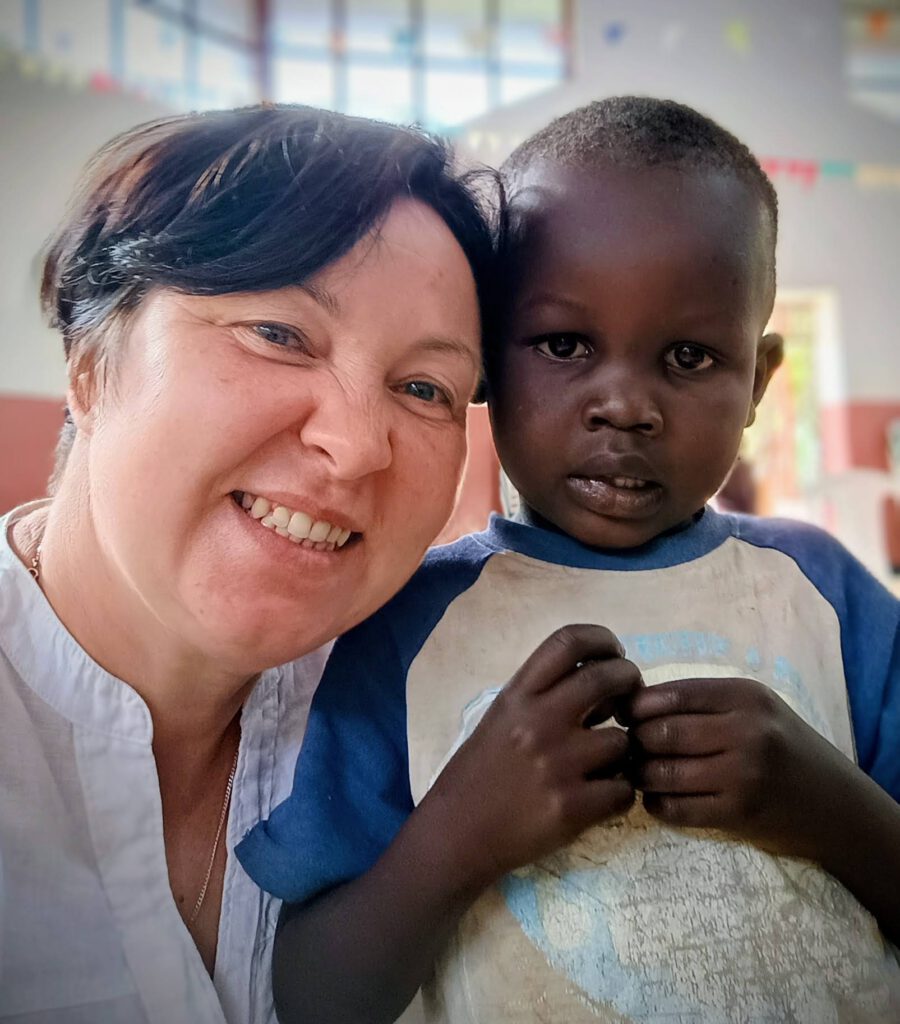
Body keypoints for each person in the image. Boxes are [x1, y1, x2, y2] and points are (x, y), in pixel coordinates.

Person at [238, 97, 900, 1023]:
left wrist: (830, 806)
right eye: (563, 344)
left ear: (757, 381)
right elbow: (314, 998)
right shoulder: (406, 624)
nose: (624, 405)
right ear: (484, 364)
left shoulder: (825, 596)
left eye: (688, 356)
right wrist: (460, 835)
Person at [0, 104, 499, 1023]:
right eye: (278, 333)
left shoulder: (448, 718)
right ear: (90, 363)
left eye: (425, 388)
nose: (358, 445)